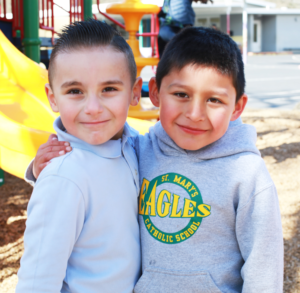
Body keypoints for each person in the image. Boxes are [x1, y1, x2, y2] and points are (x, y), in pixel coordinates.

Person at [28, 27, 283, 292]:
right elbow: (90, 171)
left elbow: (263, 266)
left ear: (238, 107)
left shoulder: (247, 174)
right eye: (181, 95)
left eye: (214, 100)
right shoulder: (138, 149)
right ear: (156, 94)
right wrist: (41, 170)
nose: (195, 114)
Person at [17, 19, 143, 293]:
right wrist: (47, 176)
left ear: (135, 92)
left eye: (109, 89)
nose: (94, 108)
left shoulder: (133, 145)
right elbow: (37, 281)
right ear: (52, 98)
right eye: (75, 91)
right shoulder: (64, 177)